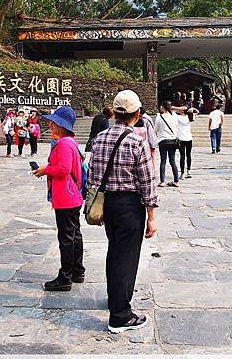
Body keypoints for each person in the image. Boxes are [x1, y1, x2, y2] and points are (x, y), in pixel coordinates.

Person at [89, 90, 158, 333]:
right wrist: (151, 217)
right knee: (126, 258)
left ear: (115, 113)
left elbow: (94, 175)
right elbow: (147, 182)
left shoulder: (100, 138)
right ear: (137, 114)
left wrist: (100, 206)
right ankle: (120, 315)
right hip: (130, 206)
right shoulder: (136, 141)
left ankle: (114, 298)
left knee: (114, 251)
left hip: (108, 204)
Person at [32, 106, 84, 291]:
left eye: (54, 122)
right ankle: (78, 270)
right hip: (73, 195)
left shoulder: (63, 144)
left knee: (66, 237)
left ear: (61, 125)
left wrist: (45, 170)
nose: (50, 124)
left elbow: (63, 169)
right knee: (74, 234)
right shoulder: (71, 141)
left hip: (65, 195)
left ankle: (65, 277)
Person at [154, 100, 179, 187]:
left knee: (163, 161)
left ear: (163, 107)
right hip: (172, 140)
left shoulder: (159, 117)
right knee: (172, 161)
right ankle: (176, 180)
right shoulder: (174, 116)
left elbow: (155, 130)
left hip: (163, 140)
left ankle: (162, 181)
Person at [176, 107, 197, 179]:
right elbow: (197, 111)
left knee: (182, 156)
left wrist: (177, 108)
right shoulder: (190, 117)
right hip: (189, 138)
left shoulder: (177, 117)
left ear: (181, 111)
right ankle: (189, 171)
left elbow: (171, 109)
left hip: (181, 139)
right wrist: (192, 109)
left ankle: (182, 173)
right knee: (188, 155)